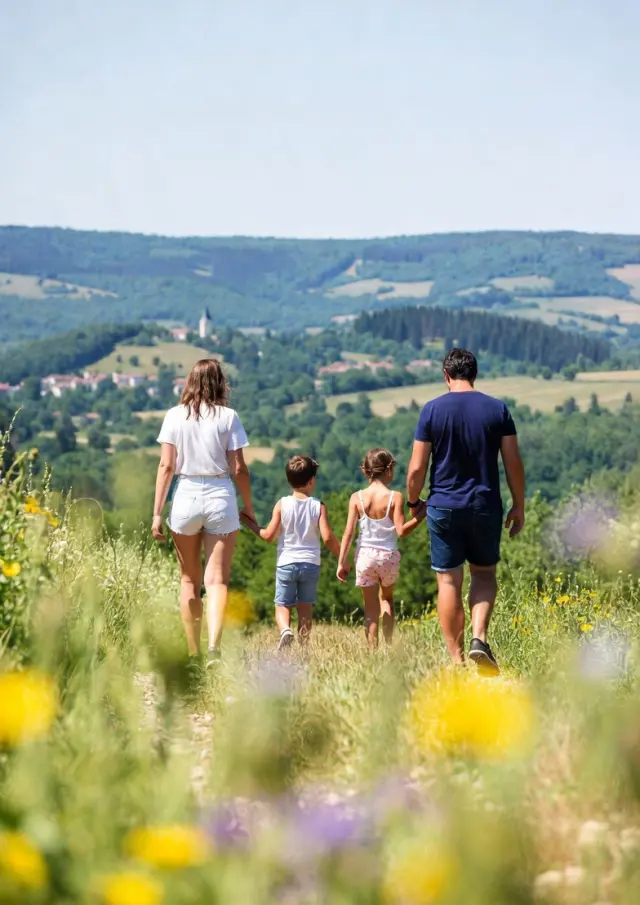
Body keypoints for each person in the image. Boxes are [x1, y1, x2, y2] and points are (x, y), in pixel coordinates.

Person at [406, 348, 525, 675]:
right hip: (485, 505)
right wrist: (519, 504)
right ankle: (479, 638)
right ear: (474, 374)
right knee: (484, 574)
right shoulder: (497, 409)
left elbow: (416, 469)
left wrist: (414, 501)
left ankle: (456, 660)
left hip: (443, 505)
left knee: (448, 581)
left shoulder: (431, 410)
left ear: (446, 375)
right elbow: (513, 463)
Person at [152, 358, 254, 666]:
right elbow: (238, 468)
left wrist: (157, 512)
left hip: (185, 497)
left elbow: (167, 466)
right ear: (221, 382)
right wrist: (248, 507)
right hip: (220, 495)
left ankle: (193, 653)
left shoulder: (174, 416)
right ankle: (214, 649)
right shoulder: (229, 417)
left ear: (190, 382)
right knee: (218, 580)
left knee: (188, 580)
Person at [241, 455, 341, 649]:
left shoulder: (282, 504)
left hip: (286, 562)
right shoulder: (318, 506)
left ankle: (285, 630)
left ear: (289, 480)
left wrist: (251, 525)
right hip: (311, 563)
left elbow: (269, 536)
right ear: (311, 481)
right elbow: (327, 537)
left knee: (282, 604)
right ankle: (303, 648)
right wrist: (341, 558)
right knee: (305, 608)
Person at [337, 448, 426, 650]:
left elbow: (348, 533)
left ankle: (372, 651)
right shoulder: (395, 497)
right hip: (388, 556)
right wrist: (421, 516)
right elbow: (402, 531)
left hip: (365, 557)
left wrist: (342, 562)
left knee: (370, 608)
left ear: (366, 472)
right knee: (386, 599)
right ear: (388, 471)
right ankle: (388, 646)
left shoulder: (356, 498)